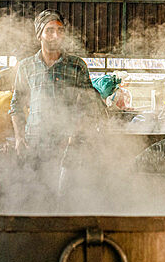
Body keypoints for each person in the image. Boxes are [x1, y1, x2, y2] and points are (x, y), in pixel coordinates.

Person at [9, 10, 102, 165]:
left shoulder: (77, 65)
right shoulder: (26, 66)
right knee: (34, 187)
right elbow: (16, 105)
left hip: (68, 143)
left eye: (60, 30)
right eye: (49, 30)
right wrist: (19, 138)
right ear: (39, 35)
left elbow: (89, 106)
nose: (56, 35)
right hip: (34, 142)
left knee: (65, 187)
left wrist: (74, 136)